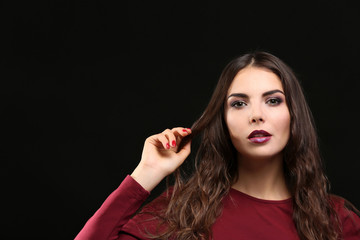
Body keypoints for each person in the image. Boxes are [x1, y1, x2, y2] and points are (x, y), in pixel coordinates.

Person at [75, 52, 360, 240]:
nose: (256, 115)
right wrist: (147, 172)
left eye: (273, 100)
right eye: (238, 103)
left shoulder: (335, 221)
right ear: (222, 121)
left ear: (294, 114)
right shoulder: (185, 210)